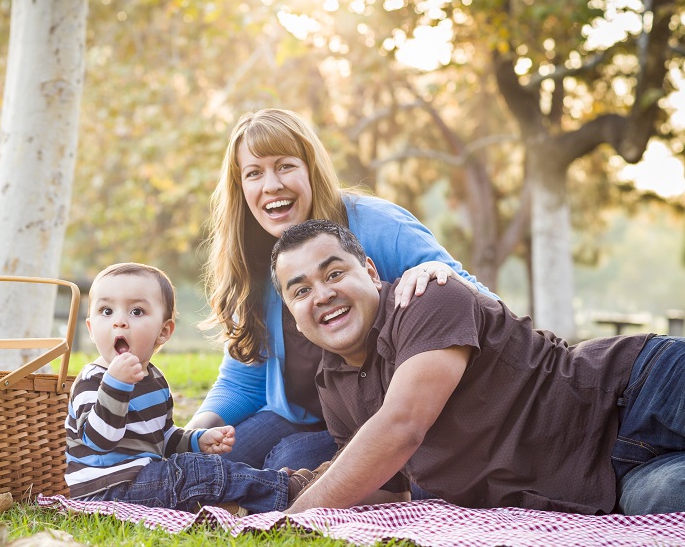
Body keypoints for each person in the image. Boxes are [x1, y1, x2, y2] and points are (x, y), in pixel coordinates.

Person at [271, 218, 685, 515]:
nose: (322, 295)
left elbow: (401, 426)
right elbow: (384, 488)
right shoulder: (332, 383)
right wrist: (286, 489)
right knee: (671, 499)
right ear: (293, 315)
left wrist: (291, 520)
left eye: (335, 273)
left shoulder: (427, 298)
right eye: (302, 290)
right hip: (606, 480)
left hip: (634, 390)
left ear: (372, 272)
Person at [187, 107, 497, 474]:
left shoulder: (381, 227)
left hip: (384, 417)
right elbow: (244, 379)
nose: (271, 185)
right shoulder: (253, 259)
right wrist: (189, 435)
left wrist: (440, 272)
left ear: (310, 169)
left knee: (286, 461)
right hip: (299, 416)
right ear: (242, 188)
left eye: (285, 166)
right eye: (254, 173)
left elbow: (485, 307)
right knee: (195, 465)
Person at [65, 262, 315, 513]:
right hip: (106, 490)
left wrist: (198, 440)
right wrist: (116, 384)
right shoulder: (93, 381)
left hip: (145, 480)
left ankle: (247, 500)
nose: (119, 322)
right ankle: (287, 489)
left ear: (163, 332)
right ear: (91, 330)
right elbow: (99, 441)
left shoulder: (154, 380)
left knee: (199, 466)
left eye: (137, 312)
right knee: (197, 473)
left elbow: (163, 437)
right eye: (106, 311)